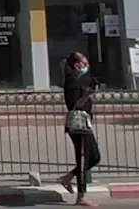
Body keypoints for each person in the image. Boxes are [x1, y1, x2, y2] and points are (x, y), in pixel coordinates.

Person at [58, 51, 101, 206]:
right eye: (84, 63)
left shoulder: (76, 79)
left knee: (94, 156)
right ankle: (81, 195)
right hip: (78, 124)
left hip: (85, 122)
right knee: (83, 158)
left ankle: (68, 177)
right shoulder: (71, 81)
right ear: (77, 65)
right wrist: (88, 93)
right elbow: (75, 104)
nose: (86, 66)